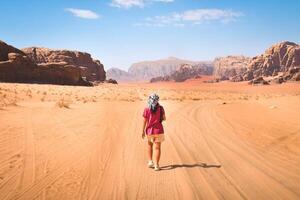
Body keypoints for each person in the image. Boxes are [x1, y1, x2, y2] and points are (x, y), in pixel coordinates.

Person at [142, 93, 166, 171]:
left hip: (149, 131)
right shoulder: (161, 108)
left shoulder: (146, 109)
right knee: (158, 148)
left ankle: (150, 161)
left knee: (150, 145)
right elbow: (164, 118)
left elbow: (145, 121)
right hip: (159, 130)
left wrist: (142, 131)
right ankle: (156, 165)